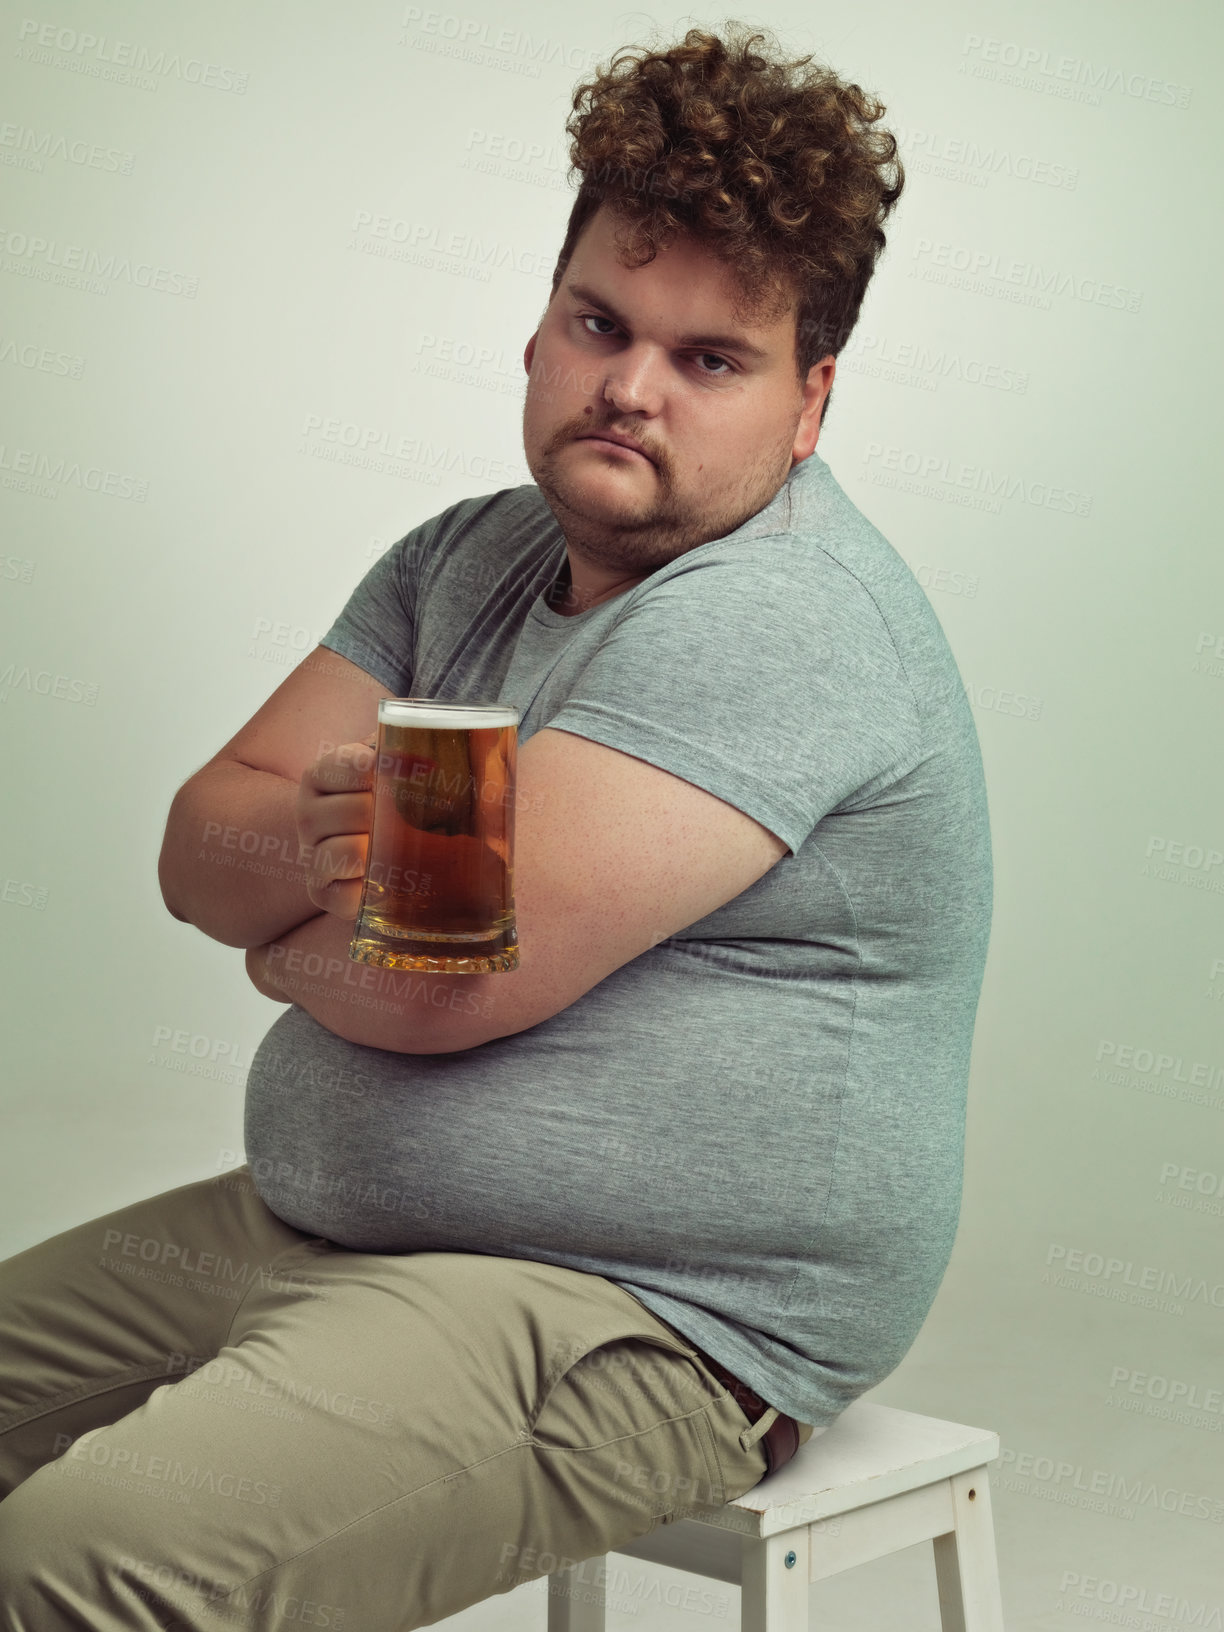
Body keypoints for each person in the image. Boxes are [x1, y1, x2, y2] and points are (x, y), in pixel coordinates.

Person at [0, 23, 993, 1629]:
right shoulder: (459, 559)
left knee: (86, 1561)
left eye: (709, 359)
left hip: (643, 1317)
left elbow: (440, 985)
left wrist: (280, 947)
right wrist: (312, 889)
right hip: (315, 1239)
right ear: (539, 323)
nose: (629, 387)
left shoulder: (783, 618)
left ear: (810, 403)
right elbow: (200, 845)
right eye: (598, 321)